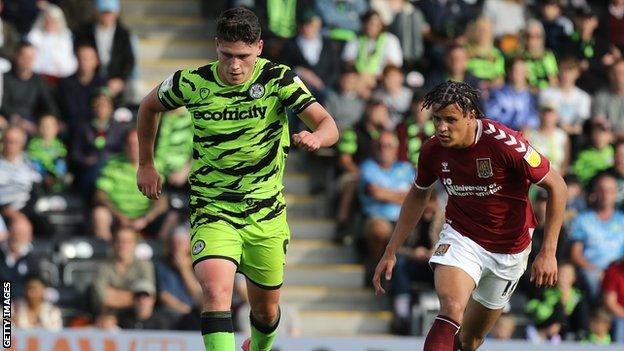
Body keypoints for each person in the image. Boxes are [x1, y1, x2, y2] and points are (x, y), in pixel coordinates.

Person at [135, 7, 338, 351]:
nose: (234, 65)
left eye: (243, 56)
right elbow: (148, 106)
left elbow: (328, 124)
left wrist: (317, 137)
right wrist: (146, 164)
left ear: (259, 48)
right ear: (216, 46)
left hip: (266, 213)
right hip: (213, 208)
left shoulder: (278, 79)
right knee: (216, 292)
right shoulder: (192, 81)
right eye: (227, 55)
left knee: (266, 309)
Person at [372, 80, 567, 351]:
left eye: (450, 120)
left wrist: (548, 252)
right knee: (451, 309)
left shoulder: (504, 143)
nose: (441, 127)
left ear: (470, 116)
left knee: (469, 340)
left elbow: (557, 185)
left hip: (510, 249)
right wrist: (391, 249)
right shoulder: (432, 150)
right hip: (462, 236)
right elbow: (418, 193)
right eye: (437, 119)